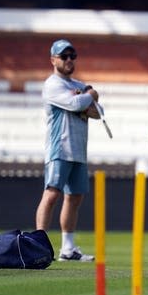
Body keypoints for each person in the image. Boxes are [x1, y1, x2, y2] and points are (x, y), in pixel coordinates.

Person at [35, 39, 102, 261]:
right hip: (60, 148)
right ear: (53, 60)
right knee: (52, 193)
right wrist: (88, 97)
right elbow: (78, 105)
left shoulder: (78, 85)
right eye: (64, 56)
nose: (69, 60)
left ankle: (68, 248)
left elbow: (98, 112)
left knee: (75, 197)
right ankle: (39, 245)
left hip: (78, 150)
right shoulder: (53, 84)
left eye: (72, 56)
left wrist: (84, 102)